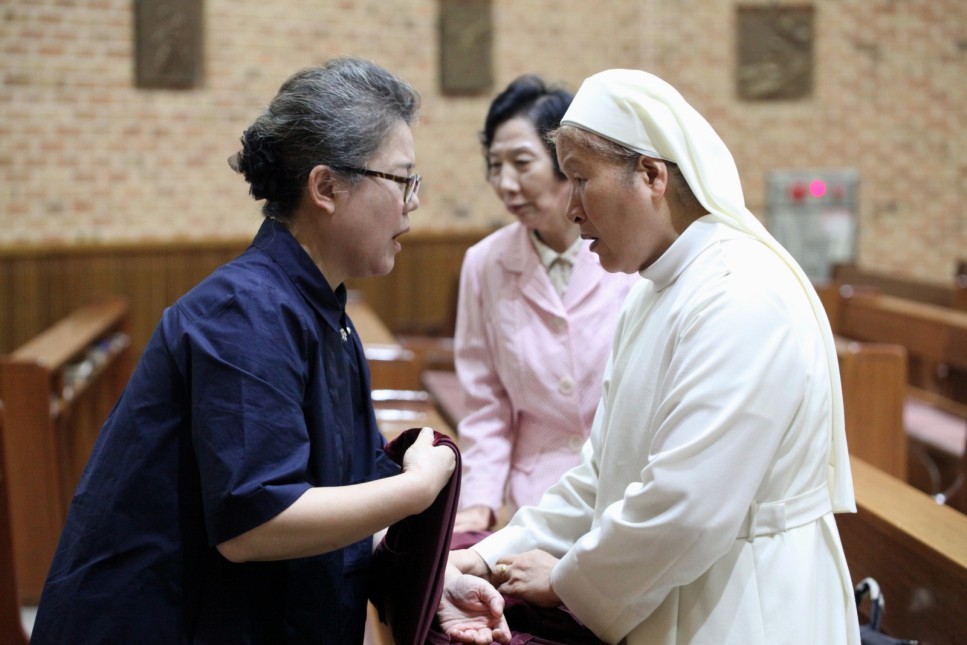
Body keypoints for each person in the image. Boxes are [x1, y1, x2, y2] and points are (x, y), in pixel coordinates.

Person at [31, 57, 456, 644]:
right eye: (402, 179)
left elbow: (346, 492)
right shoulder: (244, 311)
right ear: (326, 188)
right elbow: (256, 523)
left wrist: (439, 581)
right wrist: (416, 491)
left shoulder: (323, 311)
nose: (413, 202)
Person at [437, 68, 861, 644]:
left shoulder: (739, 292)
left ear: (652, 175)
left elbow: (688, 508)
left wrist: (565, 578)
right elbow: (602, 475)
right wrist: (488, 556)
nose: (572, 208)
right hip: (667, 586)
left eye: (581, 179)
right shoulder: (653, 289)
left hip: (750, 602)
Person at [453, 75, 638, 534]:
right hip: (535, 502)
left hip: (625, 493)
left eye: (521, 163)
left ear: (567, 163)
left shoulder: (631, 254)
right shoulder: (485, 263)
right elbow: (485, 404)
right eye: (495, 166)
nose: (505, 184)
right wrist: (479, 502)